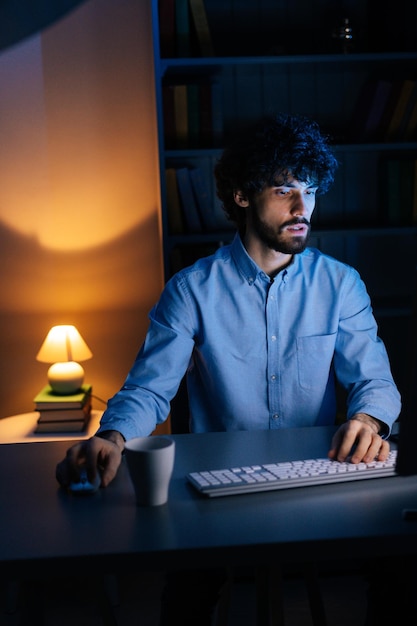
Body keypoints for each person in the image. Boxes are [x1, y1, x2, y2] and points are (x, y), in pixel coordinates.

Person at [56, 112, 401, 625]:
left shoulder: (342, 284)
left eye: (309, 189)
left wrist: (369, 421)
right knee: (187, 590)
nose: (302, 207)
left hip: (318, 477)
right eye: (284, 189)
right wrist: (112, 435)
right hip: (217, 489)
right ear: (242, 196)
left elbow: (375, 382)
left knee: (398, 563)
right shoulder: (191, 289)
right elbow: (150, 389)